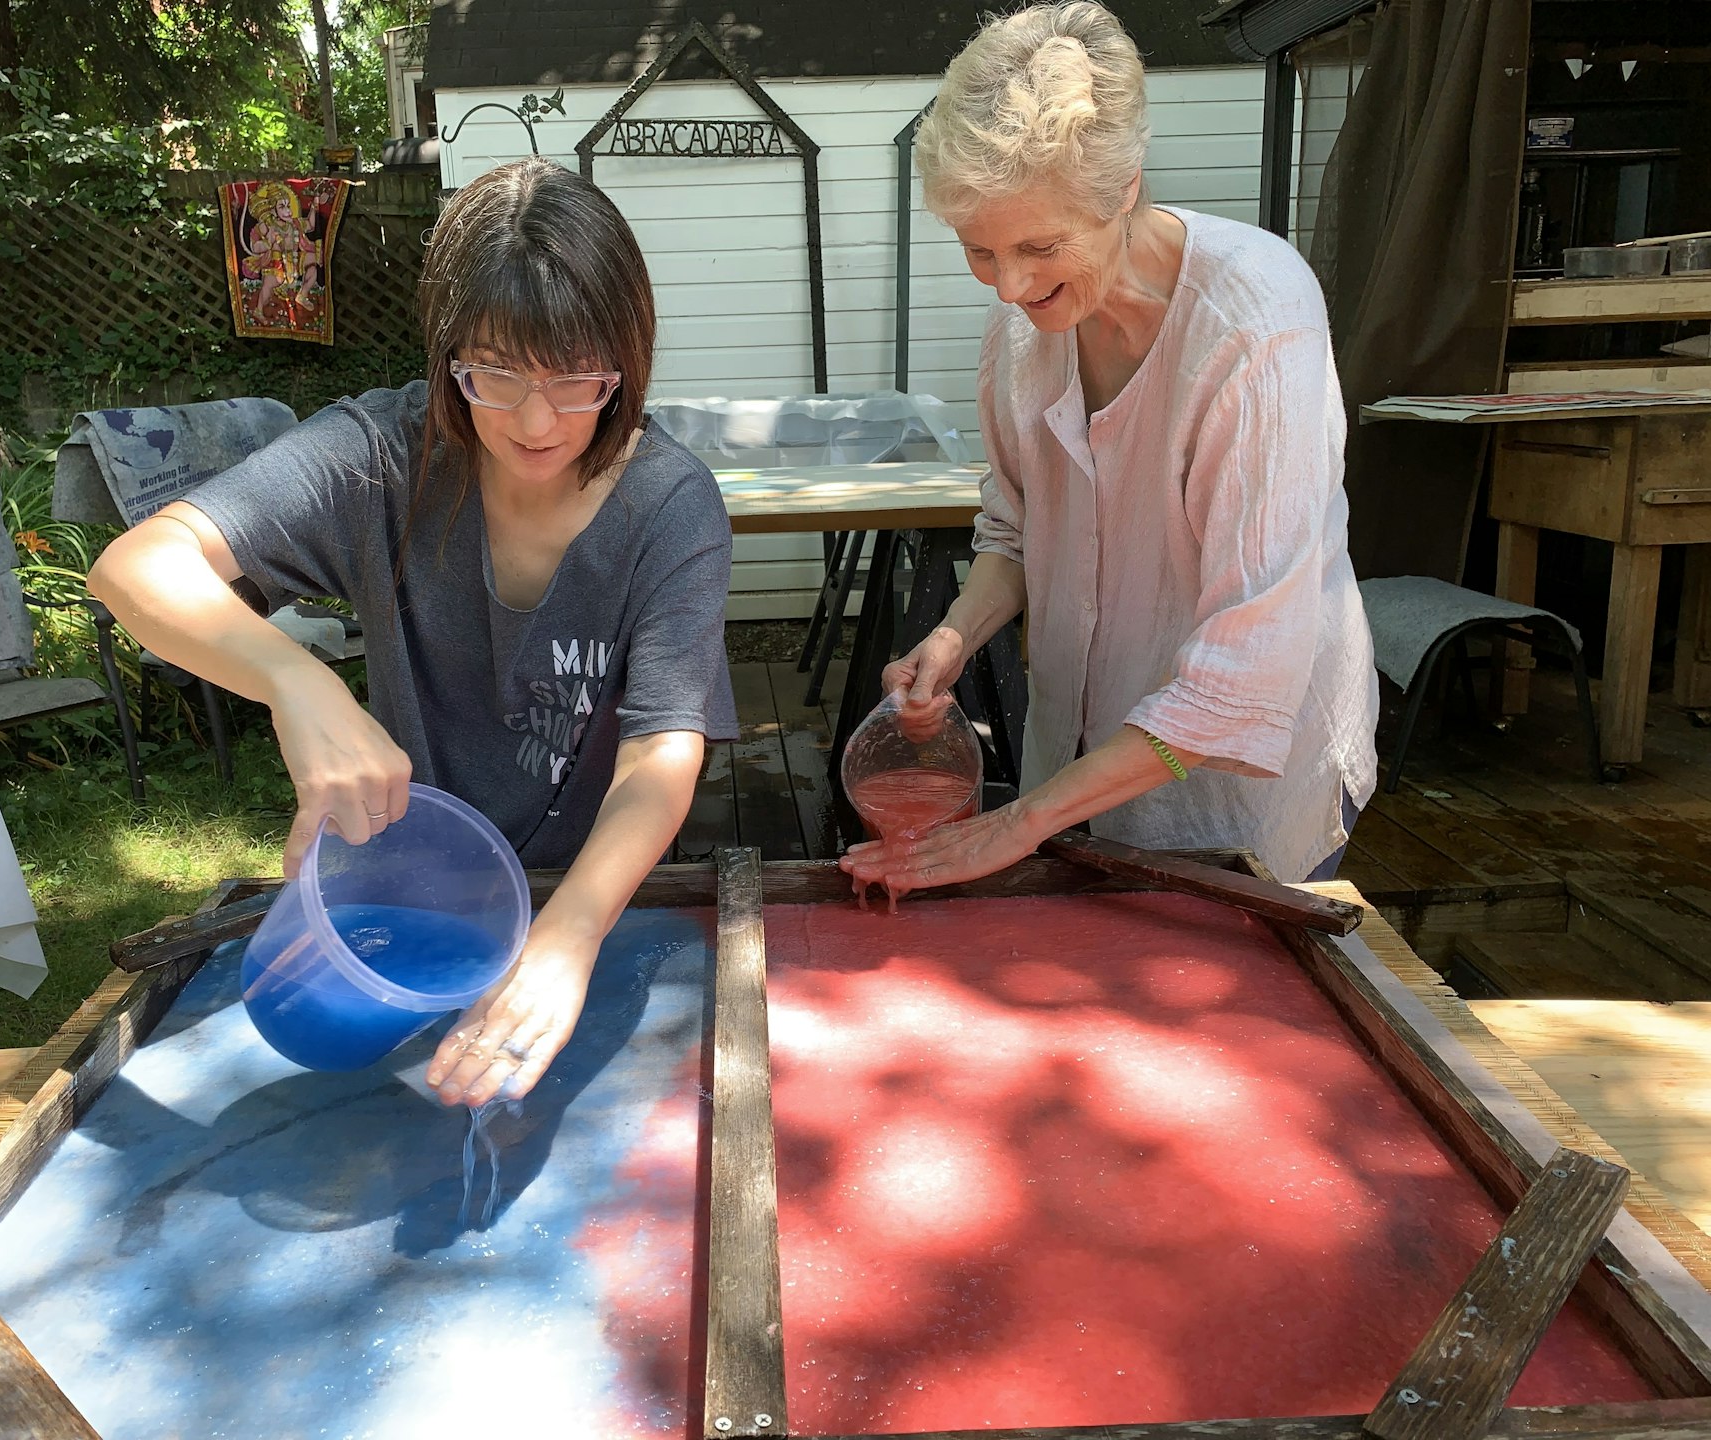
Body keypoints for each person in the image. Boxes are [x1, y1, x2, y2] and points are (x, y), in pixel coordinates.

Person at [91, 158, 736, 1107]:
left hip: (596, 888)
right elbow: (135, 568)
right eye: (495, 372)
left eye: (578, 380)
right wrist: (295, 680)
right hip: (403, 888)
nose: (534, 418)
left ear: (628, 361)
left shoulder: (668, 504)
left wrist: (569, 935)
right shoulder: (381, 454)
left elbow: (661, 755)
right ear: (446, 356)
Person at [842, 1, 1376, 897]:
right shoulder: (1022, 329)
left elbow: (1238, 682)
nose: (1011, 286)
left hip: (1239, 803)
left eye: (1041, 246)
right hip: (1081, 779)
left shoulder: (1255, 327)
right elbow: (1014, 534)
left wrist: (1016, 822)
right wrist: (954, 635)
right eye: (980, 250)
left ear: (1124, 188)